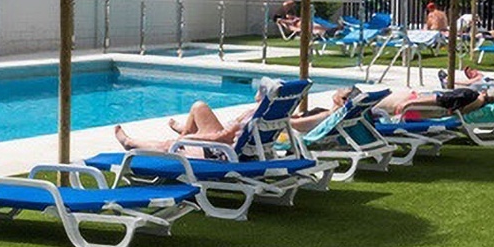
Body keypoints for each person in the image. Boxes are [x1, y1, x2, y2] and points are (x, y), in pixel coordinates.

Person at [114, 87, 360, 152]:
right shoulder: (331, 114)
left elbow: (292, 125)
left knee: (172, 144)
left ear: (344, 100)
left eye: (343, 92)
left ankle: (132, 143)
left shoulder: (329, 114)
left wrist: (272, 117)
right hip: (242, 141)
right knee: (195, 114)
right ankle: (185, 135)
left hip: (227, 146)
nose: (338, 92)